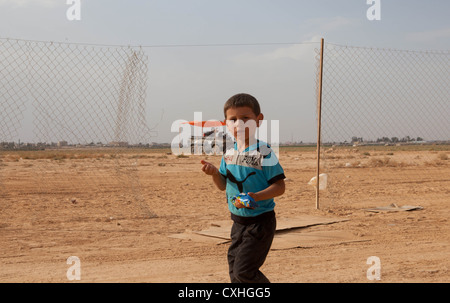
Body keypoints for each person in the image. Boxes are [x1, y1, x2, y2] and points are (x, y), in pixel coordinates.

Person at [200, 93, 286, 283]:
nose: (239, 124)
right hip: (238, 223)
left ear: (258, 120)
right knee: (234, 272)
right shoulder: (228, 152)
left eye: (245, 118)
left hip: (260, 223)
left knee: (244, 272)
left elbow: (279, 187)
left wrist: (256, 196)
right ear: (226, 123)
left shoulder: (263, 151)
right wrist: (214, 173)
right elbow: (223, 186)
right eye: (233, 119)